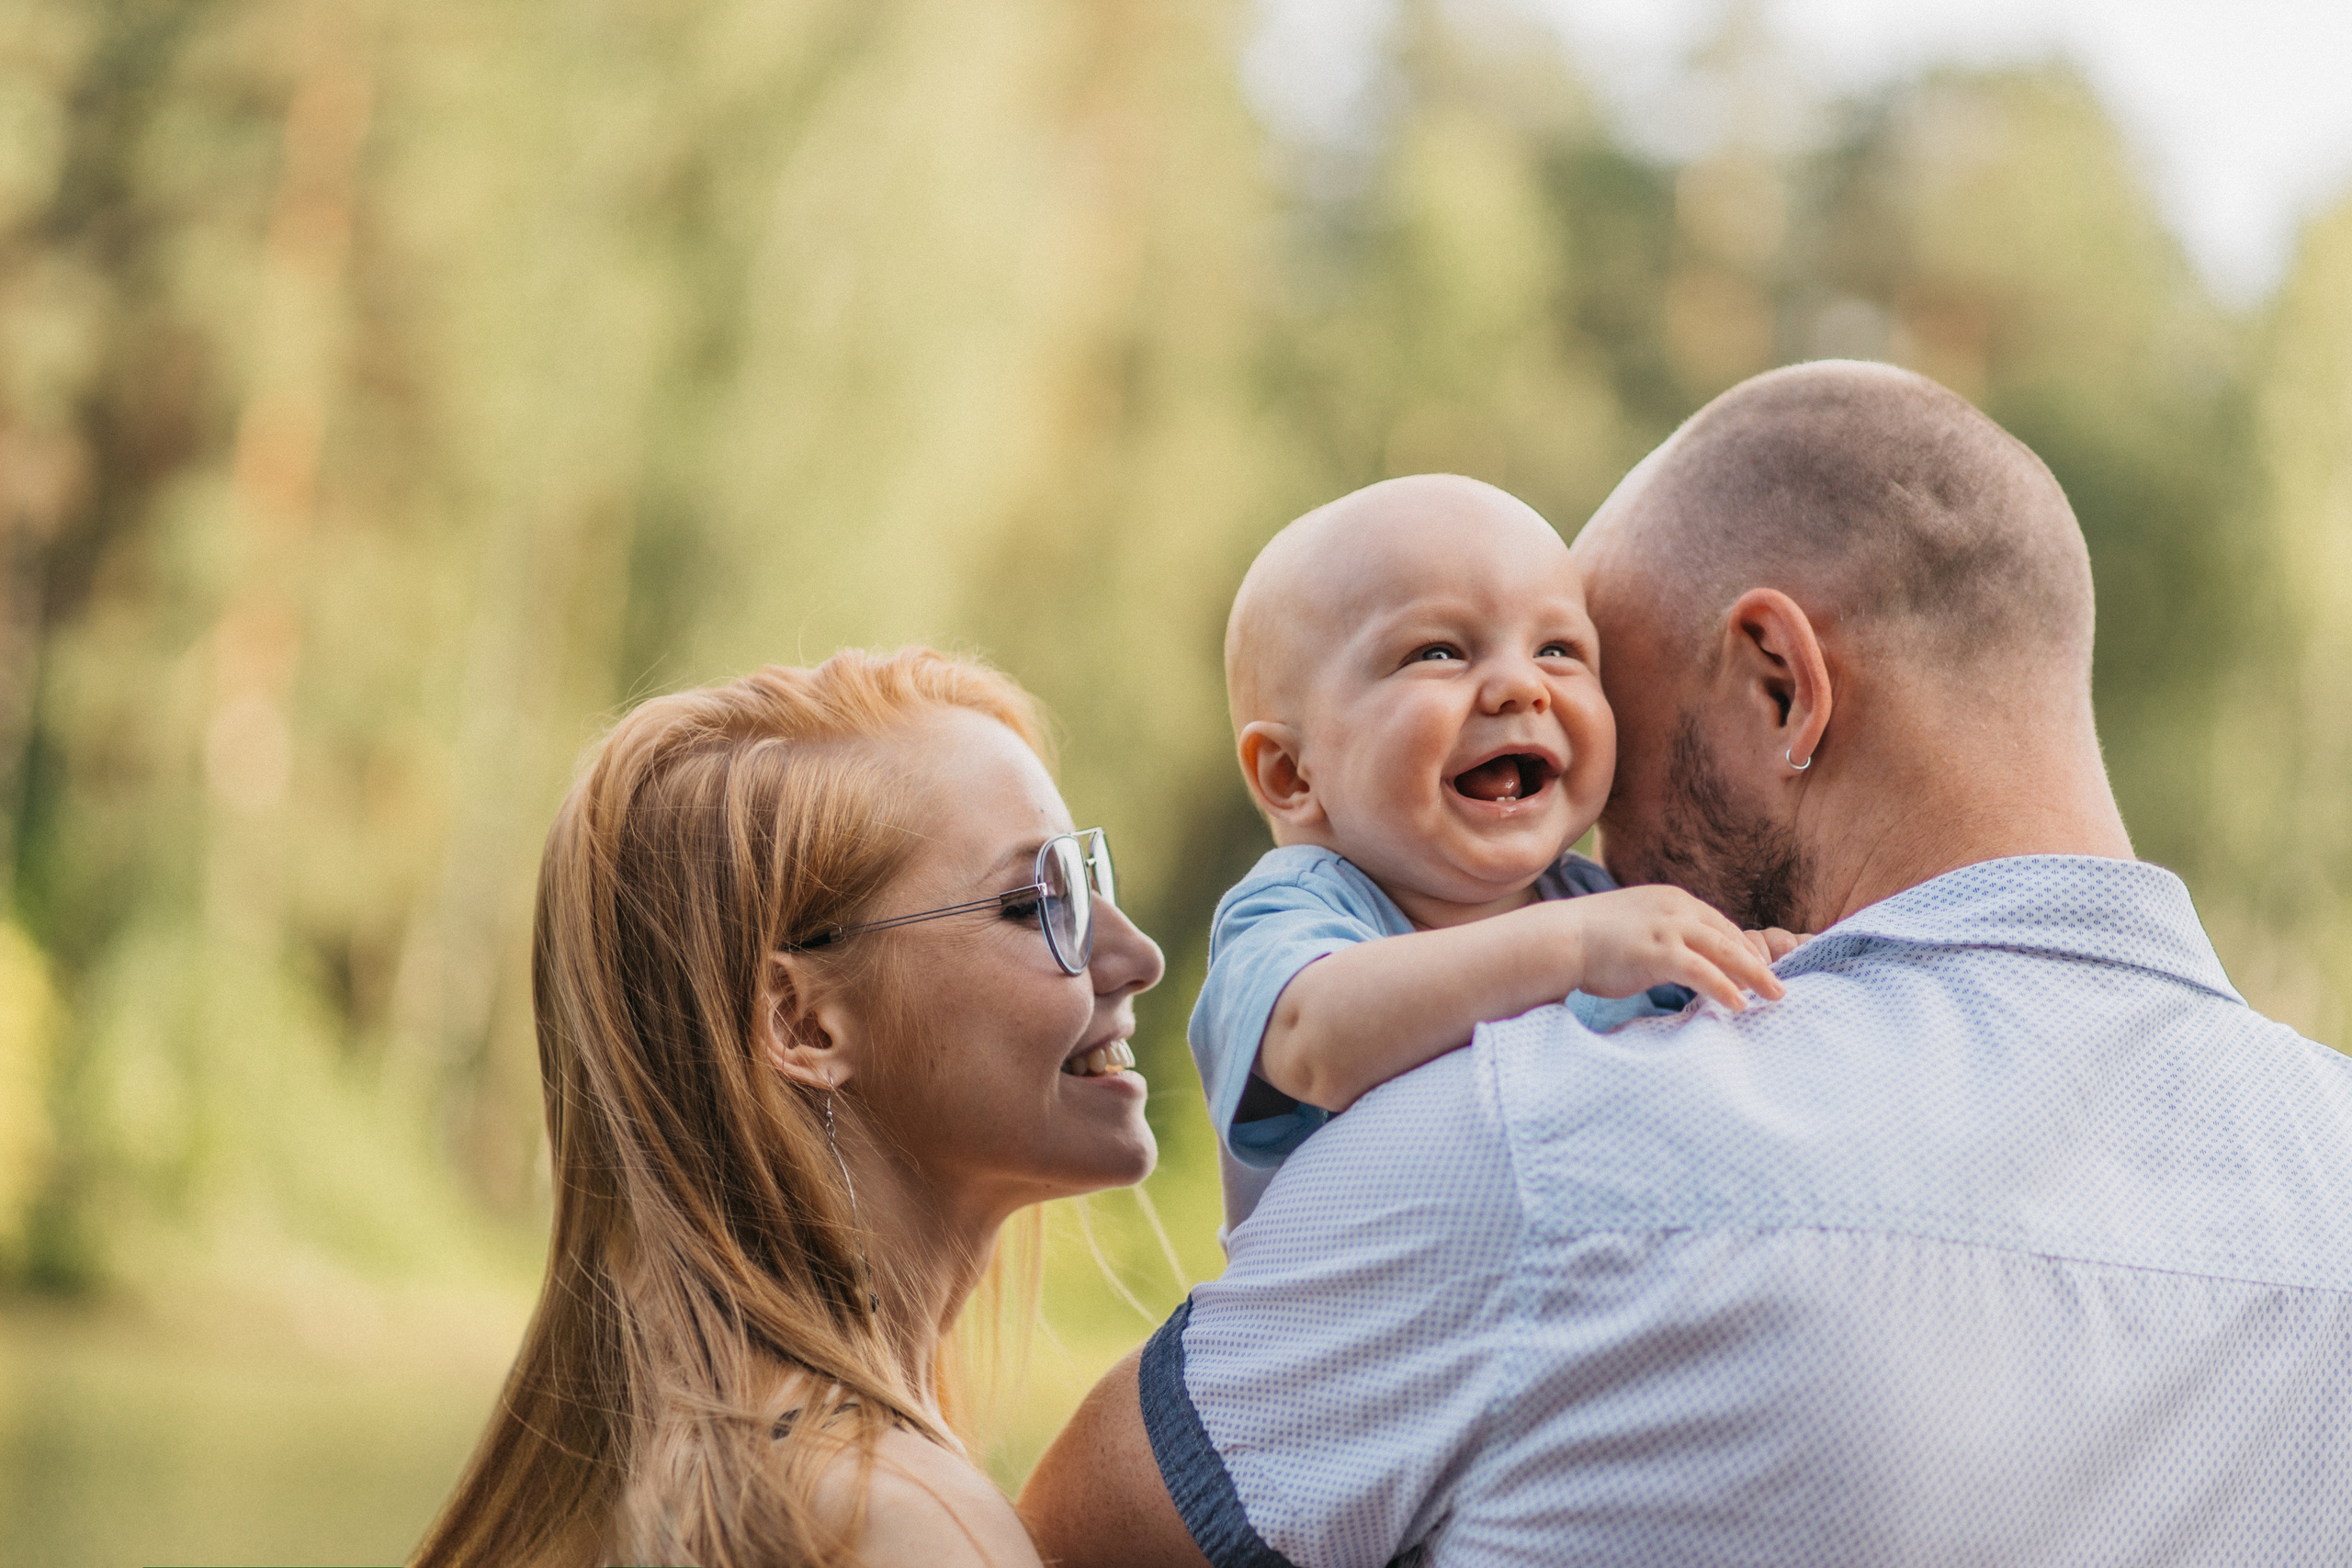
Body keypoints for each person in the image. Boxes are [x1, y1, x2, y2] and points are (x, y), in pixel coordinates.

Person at [1022, 362, 2352, 1566]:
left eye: (1619, 722)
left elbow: (1072, 1541)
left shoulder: (1534, 1133)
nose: (1598, 837)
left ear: (1780, 683)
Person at [413, 648, 1165, 1568]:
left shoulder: (687, 1469)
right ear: (801, 1021)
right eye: (1036, 902)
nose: (1137, 956)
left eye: (1087, 881)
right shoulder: (889, 1520)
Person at [1195, 474, 1789, 1236]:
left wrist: (1745, 964)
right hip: (1359, 1337)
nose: (1520, 685)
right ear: (1291, 773)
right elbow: (1313, 1043)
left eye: (1558, 648)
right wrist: (1575, 947)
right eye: (1438, 651)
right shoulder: (1295, 910)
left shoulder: (1598, 905)